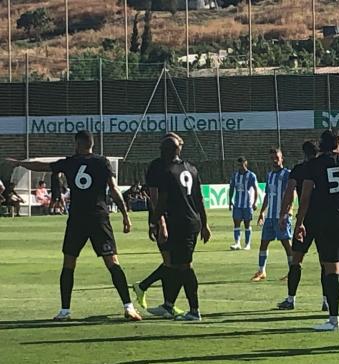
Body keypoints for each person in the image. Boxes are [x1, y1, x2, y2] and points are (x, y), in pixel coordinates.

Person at [6, 130, 142, 321]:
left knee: (69, 263)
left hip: (77, 219)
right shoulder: (102, 162)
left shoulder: (70, 162)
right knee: (112, 262)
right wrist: (126, 215)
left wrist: (21, 163)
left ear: (79, 144)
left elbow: (42, 166)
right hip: (99, 218)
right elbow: (113, 189)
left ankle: (64, 311)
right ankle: (128, 307)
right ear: (92, 144)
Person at [295, 130, 339, 331]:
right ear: (337, 142)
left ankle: (333, 320)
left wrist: (300, 222)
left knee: (330, 269)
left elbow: (305, 197)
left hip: (325, 219)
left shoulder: (314, 165)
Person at [152, 135, 212, 321]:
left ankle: (194, 310)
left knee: (185, 266)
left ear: (169, 151)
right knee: (178, 265)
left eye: (164, 150)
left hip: (179, 223)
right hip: (193, 222)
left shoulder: (167, 172)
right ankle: (169, 304)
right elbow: (199, 199)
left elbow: (161, 201)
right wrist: (205, 223)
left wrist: (155, 222)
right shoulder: (191, 168)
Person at [133, 132, 185, 317]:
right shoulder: (156, 166)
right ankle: (144, 287)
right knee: (171, 263)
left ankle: (166, 304)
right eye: (177, 145)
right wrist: (158, 221)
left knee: (171, 263)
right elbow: (154, 197)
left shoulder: (176, 165)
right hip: (162, 218)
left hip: (176, 219)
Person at [276, 140, 329, 311]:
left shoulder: (299, 169)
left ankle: (291, 299)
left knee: (296, 260)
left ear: (304, 153)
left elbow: (289, 192)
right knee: (325, 263)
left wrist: (283, 214)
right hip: (323, 219)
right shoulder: (324, 166)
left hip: (304, 221)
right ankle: (326, 300)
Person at [251, 148, 292, 282]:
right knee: (264, 243)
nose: (275, 160)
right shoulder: (269, 175)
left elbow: (292, 193)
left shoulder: (287, 174)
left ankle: (293, 271)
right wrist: (262, 212)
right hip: (270, 216)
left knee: (287, 244)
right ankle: (261, 271)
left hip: (282, 216)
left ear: (282, 158)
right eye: (272, 158)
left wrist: (287, 212)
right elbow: (268, 195)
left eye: (277, 158)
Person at [229, 156, 258, 250]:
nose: (240, 166)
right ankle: (237, 243)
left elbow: (256, 189)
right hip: (237, 204)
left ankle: (247, 244)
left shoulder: (251, 175)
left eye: (242, 164)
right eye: (238, 165)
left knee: (247, 224)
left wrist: (255, 202)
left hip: (247, 204)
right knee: (236, 223)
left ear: (245, 163)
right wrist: (230, 200)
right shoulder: (235, 175)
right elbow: (232, 188)